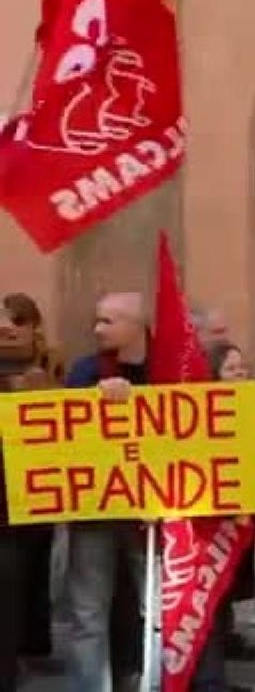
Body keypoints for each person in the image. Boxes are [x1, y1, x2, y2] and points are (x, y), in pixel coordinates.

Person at [62, 292, 152, 692]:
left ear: (136, 326)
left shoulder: (168, 368)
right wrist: (95, 398)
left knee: (162, 609)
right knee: (87, 615)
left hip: (152, 512)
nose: (97, 329)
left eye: (108, 321)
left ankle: (159, 682)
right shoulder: (85, 371)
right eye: (97, 321)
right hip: (95, 512)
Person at [190, 342, 255, 692]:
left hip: (243, 519)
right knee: (208, 603)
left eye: (243, 367)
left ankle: (214, 675)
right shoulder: (201, 415)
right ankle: (207, 679)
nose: (241, 374)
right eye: (232, 369)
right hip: (211, 525)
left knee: (223, 600)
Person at [0, 294, 56, 691]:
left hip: (38, 496)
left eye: (18, 320)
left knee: (30, 579)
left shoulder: (53, 365)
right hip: (3, 501)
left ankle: (30, 648)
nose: (8, 327)